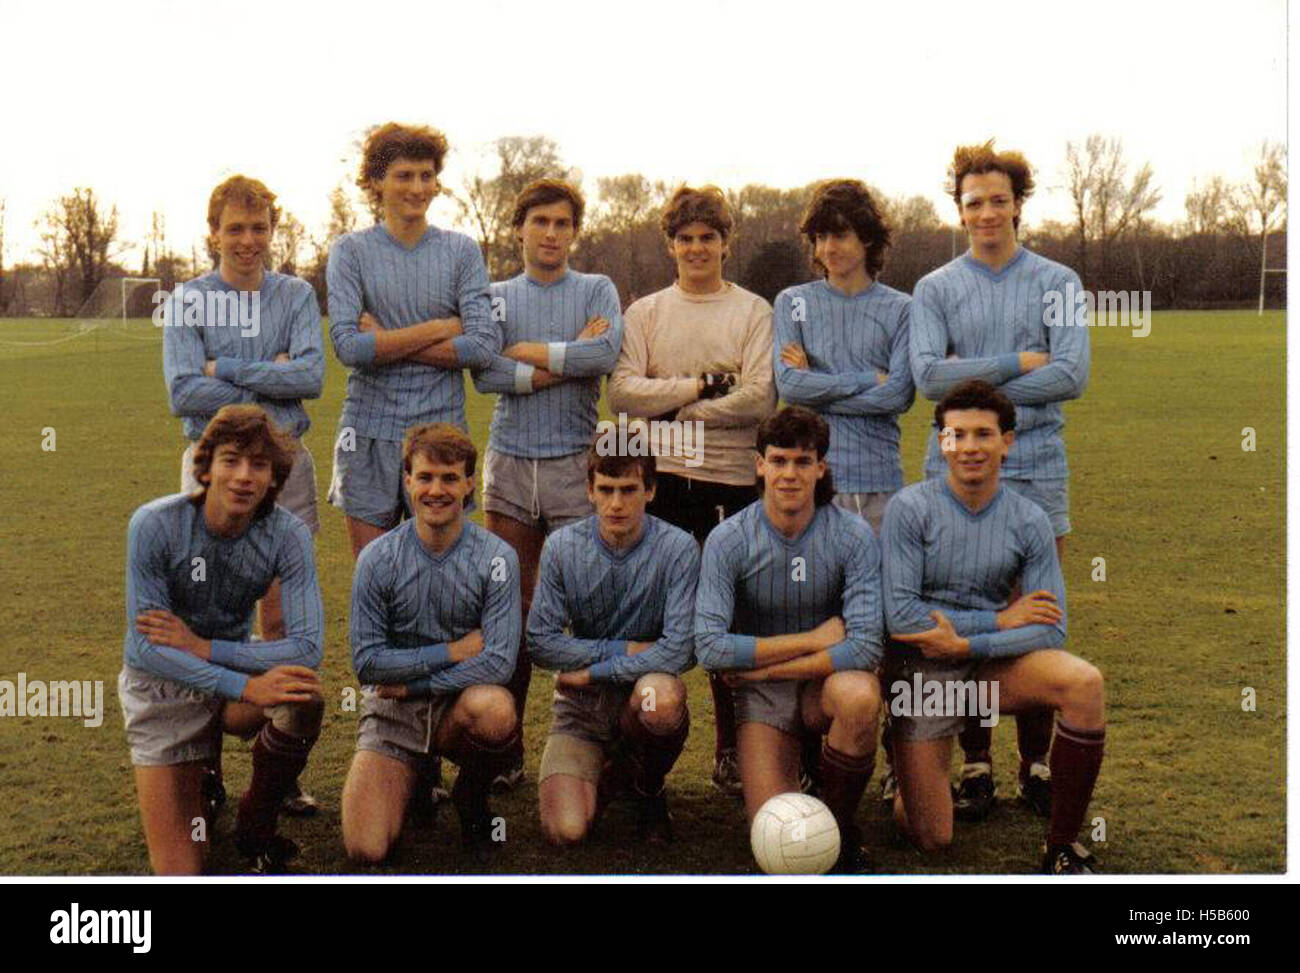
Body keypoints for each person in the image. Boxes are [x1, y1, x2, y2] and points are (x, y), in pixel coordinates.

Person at [910, 141, 1090, 820]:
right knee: (966, 606)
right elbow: (928, 378)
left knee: (1036, 610)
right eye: (973, 202)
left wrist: (972, 383)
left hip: (1038, 461)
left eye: (998, 200)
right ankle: (976, 762)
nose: (987, 213)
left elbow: (1071, 374)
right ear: (959, 210)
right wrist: (1018, 361)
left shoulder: (1060, 282)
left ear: (1019, 203)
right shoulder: (934, 288)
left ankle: (1037, 762)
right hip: (954, 466)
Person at [882, 380, 1104, 873]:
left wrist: (971, 640)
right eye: (955, 435)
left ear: (1008, 441)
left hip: (982, 662)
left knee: (1083, 682)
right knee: (931, 836)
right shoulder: (909, 508)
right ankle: (904, 756)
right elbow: (899, 615)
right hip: (924, 669)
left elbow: (1050, 628)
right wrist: (999, 619)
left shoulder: (1030, 520)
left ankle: (1061, 846)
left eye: (983, 434)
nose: (968, 447)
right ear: (941, 441)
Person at [162, 174, 325, 815]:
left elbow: (310, 375)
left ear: (271, 232)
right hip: (211, 469)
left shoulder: (294, 295)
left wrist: (223, 370)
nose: (248, 240)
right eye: (235, 228)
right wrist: (271, 379)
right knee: (204, 621)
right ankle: (204, 769)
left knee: (282, 621)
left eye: (259, 228)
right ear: (213, 234)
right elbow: (182, 392)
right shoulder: (188, 301)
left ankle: (277, 772)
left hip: (289, 470)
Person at [608, 184, 775, 795]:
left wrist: (681, 409)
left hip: (732, 481)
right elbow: (623, 393)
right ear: (671, 245)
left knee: (732, 616)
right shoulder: (646, 312)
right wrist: (701, 386)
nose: (697, 248)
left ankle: (733, 748)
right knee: (659, 617)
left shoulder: (754, 311)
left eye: (708, 237)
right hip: (665, 485)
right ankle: (639, 750)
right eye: (686, 238)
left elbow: (760, 396)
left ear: (726, 243)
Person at [120, 405, 325, 874]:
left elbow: (308, 646)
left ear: (275, 478)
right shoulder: (153, 524)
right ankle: (202, 780)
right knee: (183, 870)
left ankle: (258, 816)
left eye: (259, 465)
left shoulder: (288, 535)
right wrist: (246, 686)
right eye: (231, 460)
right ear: (205, 465)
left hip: (225, 666)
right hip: (163, 687)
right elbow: (144, 649)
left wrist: (208, 650)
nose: (243, 476)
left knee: (303, 691)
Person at [472, 178, 625, 792]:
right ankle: (504, 749)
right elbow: (484, 372)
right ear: (519, 229)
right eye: (540, 222)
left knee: (585, 608)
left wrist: (530, 354)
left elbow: (606, 354)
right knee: (511, 605)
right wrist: (560, 359)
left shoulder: (596, 289)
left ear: (574, 232)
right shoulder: (496, 295)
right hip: (509, 465)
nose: (552, 234)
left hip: (572, 465)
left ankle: (602, 745)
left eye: (563, 224)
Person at [695, 406, 883, 872]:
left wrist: (766, 666)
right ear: (759, 464)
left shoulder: (854, 536)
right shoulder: (728, 539)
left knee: (861, 696)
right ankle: (805, 772)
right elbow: (710, 646)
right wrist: (813, 639)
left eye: (803, 462)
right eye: (778, 461)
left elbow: (864, 647)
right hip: (764, 696)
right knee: (774, 837)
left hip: (820, 686)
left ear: (821, 468)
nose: (790, 474)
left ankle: (840, 828)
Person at [340, 424, 521, 863]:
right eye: (425, 477)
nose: (436, 490)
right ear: (407, 481)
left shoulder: (497, 558)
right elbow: (367, 663)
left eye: (449, 478)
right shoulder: (377, 559)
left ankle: (470, 798)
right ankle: (416, 775)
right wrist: (452, 651)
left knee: (496, 708)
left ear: (469, 484)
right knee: (366, 849)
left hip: (456, 707)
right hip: (392, 711)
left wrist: (415, 683)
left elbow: (498, 663)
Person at [326, 121, 496, 558]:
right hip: (368, 432)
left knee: (442, 579)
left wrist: (385, 341)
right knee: (374, 576)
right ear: (376, 181)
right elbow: (349, 347)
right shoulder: (350, 251)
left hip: (442, 432)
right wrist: (440, 328)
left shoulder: (461, 251)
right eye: (404, 175)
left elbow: (480, 346)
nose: (417, 187)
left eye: (426, 175)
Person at [528, 441, 697, 845]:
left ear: (651, 490)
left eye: (628, 490)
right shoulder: (561, 547)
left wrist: (593, 672)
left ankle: (648, 787)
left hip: (639, 694)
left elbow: (681, 649)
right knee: (565, 832)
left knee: (662, 699)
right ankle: (617, 771)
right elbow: (540, 641)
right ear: (589, 491)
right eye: (606, 490)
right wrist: (622, 650)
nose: (616, 503)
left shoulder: (679, 548)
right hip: (581, 711)